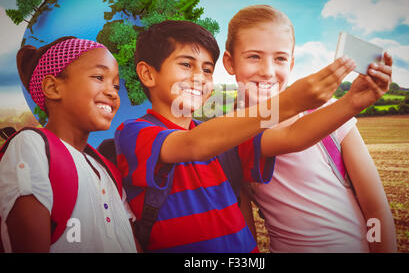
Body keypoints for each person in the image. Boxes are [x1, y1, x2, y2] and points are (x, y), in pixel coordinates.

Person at [114, 20, 381, 253]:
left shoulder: (226, 134)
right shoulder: (135, 133)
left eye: (207, 69)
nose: (199, 77)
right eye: (186, 64)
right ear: (148, 74)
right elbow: (194, 145)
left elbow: (293, 136)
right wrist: (287, 103)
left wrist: (352, 103)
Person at [222, 4, 397, 253]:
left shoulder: (331, 114)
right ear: (230, 62)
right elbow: (244, 228)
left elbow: (376, 208)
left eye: (280, 58)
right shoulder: (227, 134)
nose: (268, 71)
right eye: (254, 56)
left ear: (291, 64)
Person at [0, 37, 138, 252]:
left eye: (116, 85)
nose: (113, 92)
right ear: (53, 87)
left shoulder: (108, 170)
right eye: (99, 77)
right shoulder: (31, 146)